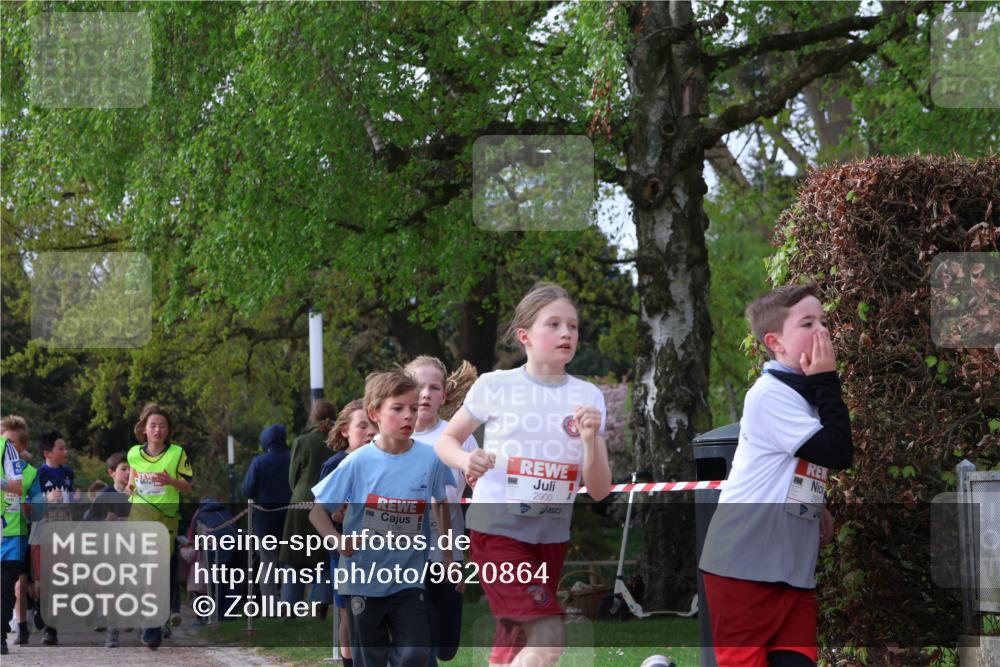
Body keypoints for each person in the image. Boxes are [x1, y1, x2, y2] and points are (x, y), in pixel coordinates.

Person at [436, 282, 612, 667]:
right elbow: (447, 440)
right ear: (525, 336)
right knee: (549, 636)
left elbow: (599, 490)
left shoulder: (588, 396)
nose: (567, 333)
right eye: (554, 324)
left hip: (550, 537)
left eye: (574, 326)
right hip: (497, 532)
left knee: (514, 644)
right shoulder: (496, 385)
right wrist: (466, 462)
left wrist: (588, 441)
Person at [699, 284, 853, 667]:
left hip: (793, 574)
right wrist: (829, 381)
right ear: (775, 342)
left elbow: (798, 462)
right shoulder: (770, 394)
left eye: (824, 321)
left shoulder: (807, 394)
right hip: (743, 569)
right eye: (807, 323)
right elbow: (837, 451)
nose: (822, 331)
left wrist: (815, 504)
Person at [309, 370, 453, 667]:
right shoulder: (358, 462)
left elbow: (441, 501)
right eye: (397, 409)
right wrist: (339, 542)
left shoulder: (430, 458)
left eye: (413, 409)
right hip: (363, 581)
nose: (408, 417)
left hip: (408, 581)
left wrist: (448, 555)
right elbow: (317, 511)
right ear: (375, 413)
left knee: (415, 654)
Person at [404, 356, 478, 667]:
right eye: (418, 386)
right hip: (403, 554)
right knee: (419, 639)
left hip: (446, 554)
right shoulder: (393, 437)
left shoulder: (458, 436)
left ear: (443, 396)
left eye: (433, 387)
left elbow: (482, 489)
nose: (425, 394)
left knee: (445, 644)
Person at [126, 403, 194, 649]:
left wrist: (170, 481)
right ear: (144, 429)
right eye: (153, 425)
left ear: (168, 431)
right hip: (140, 516)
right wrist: (129, 487)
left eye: (162, 426)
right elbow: (132, 483)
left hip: (166, 518)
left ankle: (153, 628)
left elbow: (188, 485)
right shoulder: (134, 453)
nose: (157, 429)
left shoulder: (177, 453)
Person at [317, 399, 376, 667]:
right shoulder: (336, 464)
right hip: (344, 552)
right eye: (362, 425)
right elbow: (323, 510)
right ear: (345, 431)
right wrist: (337, 518)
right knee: (348, 615)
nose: (369, 431)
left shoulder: (381, 460)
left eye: (372, 425)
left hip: (378, 551)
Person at [280, 399, 338, 606]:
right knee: (323, 558)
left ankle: (289, 606)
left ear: (312, 416)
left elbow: (293, 477)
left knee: (294, 559)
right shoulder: (337, 439)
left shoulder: (302, 441)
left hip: (301, 501)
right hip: (329, 501)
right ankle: (322, 606)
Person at [31, 429, 80, 646]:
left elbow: (70, 502)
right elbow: (30, 506)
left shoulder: (69, 473)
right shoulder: (37, 475)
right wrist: (45, 498)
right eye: (61, 448)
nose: (65, 451)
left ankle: (51, 626)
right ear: (47, 453)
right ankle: (42, 613)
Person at [85, 452, 132, 648]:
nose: (129, 473)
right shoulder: (105, 495)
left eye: (131, 469)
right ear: (112, 473)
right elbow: (90, 519)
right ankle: (112, 632)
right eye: (123, 469)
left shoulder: (138, 495)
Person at [242, 424, 292, 605]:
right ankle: (289, 602)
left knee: (268, 563)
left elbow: (247, 490)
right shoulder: (292, 458)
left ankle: (270, 606)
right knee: (288, 563)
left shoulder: (259, 462)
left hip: (264, 520)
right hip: (289, 518)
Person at [1, 417, 37, 655]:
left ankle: (1, 634)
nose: (5, 446)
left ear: (21, 447)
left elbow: (36, 504)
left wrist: (32, 506)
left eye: (10, 443)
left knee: (5, 586)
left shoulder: (31, 472)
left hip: (14, 535)